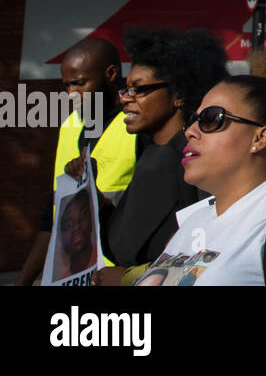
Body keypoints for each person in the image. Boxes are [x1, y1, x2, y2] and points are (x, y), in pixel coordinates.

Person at [132, 74, 266, 286]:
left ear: (260, 137)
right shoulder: (192, 223)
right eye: (193, 119)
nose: (190, 131)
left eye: (210, 119)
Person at [93, 27, 228, 282]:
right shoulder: (149, 151)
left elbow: (208, 254)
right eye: (126, 89)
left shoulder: (195, 159)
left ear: (177, 95)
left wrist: (130, 278)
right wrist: (88, 198)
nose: (126, 98)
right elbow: (124, 239)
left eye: (139, 89)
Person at [17, 36, 135, 286]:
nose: (71, 95)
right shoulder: (71, 126)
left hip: (123, 274)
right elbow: (54, 217)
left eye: (79, 84)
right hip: (77, 276)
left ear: (111, 73)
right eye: (66, 85)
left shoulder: (139, 124)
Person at [52, 188, 98, 279]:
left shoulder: (106, 263)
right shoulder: (62, 279)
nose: (76, 227)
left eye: (83, 215)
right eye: (68, 225)